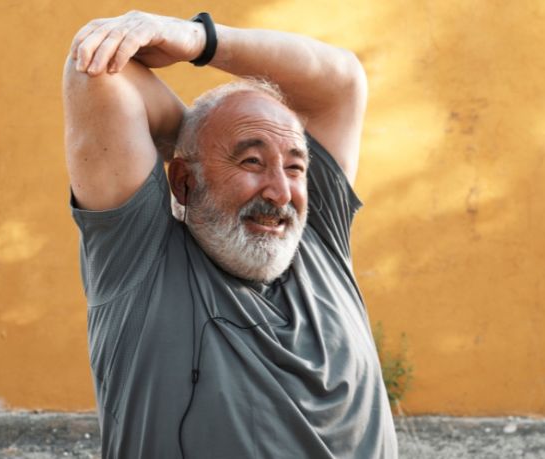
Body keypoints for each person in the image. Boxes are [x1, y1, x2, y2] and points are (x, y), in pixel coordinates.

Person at [63, 10, 398, 458]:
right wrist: (198, 141)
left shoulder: (320, 237)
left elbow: (344, 81)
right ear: (182, 181)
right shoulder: (141, 263)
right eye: (251, 162)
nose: (281, 193)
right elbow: (99, 70)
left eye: (295, 166)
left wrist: (201, 40)